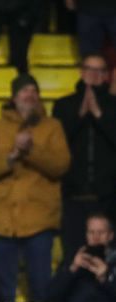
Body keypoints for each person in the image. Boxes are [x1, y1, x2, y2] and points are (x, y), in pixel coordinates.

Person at [0, 74, 71, 302]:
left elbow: (61, 165)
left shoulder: (52, 126)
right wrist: (12, 156)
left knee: (41, 289)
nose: (29, 96)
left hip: (39, 220)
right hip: (2, 219)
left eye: (33, 92)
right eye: (24, 91)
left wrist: (31, 150)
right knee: (3, 292)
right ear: (14, 97)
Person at [52, 54, 116, 264]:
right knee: (74, 255)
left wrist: (98, 115)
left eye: (99, 70)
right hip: (73, 197)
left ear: (106, 75)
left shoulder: (113, 106)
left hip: (107, 198)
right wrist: (80, 114)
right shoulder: (64, 106)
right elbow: (58, 142)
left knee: (107, 257)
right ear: (81, 71)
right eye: (89, 69)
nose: (93, 75)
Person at [48, 212, 116, 302]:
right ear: (86, 234)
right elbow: (50, 296)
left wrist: (105, 278)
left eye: (101, 232)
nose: (96, 237)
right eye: (91, 232)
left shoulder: (114, 260)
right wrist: (72, 269)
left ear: (111, 235)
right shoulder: (73, 259)